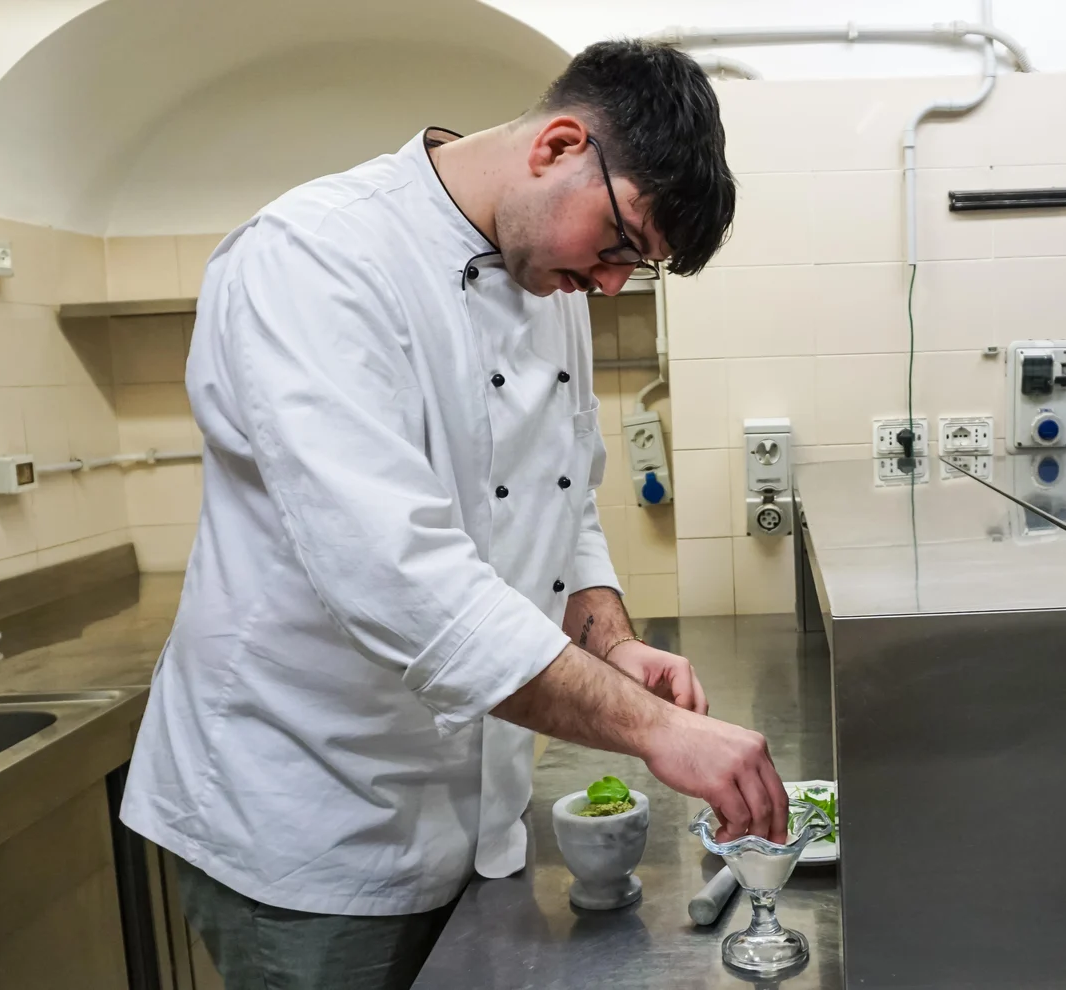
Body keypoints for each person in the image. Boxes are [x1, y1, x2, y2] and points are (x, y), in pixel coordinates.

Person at [120, 38, 789, 990]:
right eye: (617, 245)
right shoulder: (316, 259)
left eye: (633, 267)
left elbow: (566, 500)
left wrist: (609, 639)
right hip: (313, 825)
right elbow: (399, 580)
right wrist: (653, 729)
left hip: (478, 814)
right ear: (559, 145)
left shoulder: (547, 275)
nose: (609, 284)